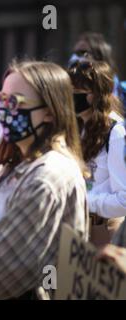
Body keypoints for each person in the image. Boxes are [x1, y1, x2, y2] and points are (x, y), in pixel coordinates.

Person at [0, 61, 89, 299]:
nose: (5, 110)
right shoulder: (7, 170)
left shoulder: (48, 177)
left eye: (15, 101)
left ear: (50, 111)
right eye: (1, 100)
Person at [68, 60, 126, 246]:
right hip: (76, 226)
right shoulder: (79, 126)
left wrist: (84, 200)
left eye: (77, 91)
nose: (71, 97)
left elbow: (123, 200)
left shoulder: (115, 133)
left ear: (96, 94)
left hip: (101, 230)